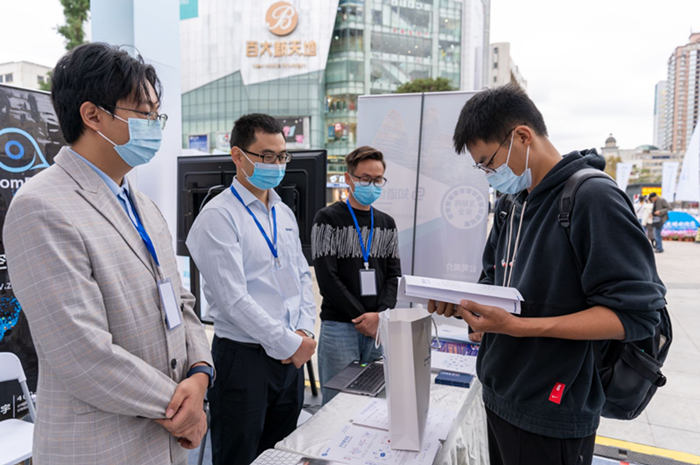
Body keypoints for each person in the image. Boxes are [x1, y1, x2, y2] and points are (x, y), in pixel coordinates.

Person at [429, 84, 666, 465]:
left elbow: (636, 315)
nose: (489, 175)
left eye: (489, 163)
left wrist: (519, 327)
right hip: (500, 393)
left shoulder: (592, 197)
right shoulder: (510, 204)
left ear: (522, 136)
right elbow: (494, 284)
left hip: (553, 409)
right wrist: (467, 308)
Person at [3, 43, 213, 465]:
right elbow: (82, 353)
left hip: (167, 442)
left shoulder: (142, 204)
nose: (154, 126)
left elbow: (182, 302)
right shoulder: (42, 206)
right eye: (143, 113)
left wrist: (200, 373)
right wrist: (182, 408)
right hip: (103, 446)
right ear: (92, 115)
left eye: (157, 115)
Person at [186, 113, 317, 465]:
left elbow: (301, 277)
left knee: (281, 454)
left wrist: (304, 331)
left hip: (290, 359)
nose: (276, 165)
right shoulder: (218, 216)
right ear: (238, 156)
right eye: (267, 156)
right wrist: (290, 344)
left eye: (282, 156)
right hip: (244, 360)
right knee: (238, 456)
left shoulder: (283, 212)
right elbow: (233, 300)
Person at [311, 146, 401, 405]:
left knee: (374, 402)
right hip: (340, 327)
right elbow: (327, 279)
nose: (371, 185)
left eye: (377, 180)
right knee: (337, 405)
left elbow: (394, 275)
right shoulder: (327, 218)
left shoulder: (386, 223)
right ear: (348, 178)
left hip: (378, 328)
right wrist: (362, 318)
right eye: (365, 178)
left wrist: (379, 316)